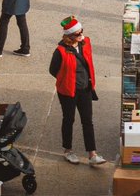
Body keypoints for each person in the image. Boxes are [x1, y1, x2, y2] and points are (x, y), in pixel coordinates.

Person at [49, 16, 106, 167]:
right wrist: (66, 79)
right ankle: (68, 150)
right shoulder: (60, 51)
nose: (81, 35)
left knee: (88, 121)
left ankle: (92, 154)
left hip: (85, 89)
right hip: (68, 91)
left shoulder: (85, 43)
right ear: (69, 36)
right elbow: (53, 70)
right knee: (69, 119)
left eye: (82, 32)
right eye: (77, 34)